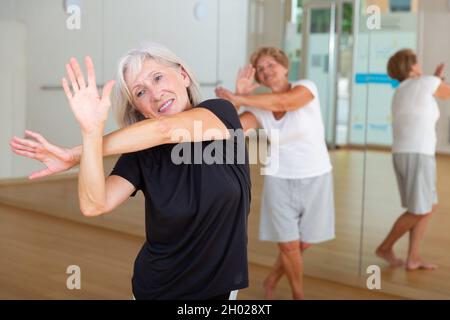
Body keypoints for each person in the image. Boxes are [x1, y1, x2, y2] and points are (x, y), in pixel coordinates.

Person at [10, 43, 251, 300]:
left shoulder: (220, 114)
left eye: (158, 77)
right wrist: (90, 133)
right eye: (140, 92)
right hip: (156, 289)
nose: (155, 94)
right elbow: (94, 205)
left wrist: (74, 155)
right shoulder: (142, 154)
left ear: (183, 75)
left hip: (219, 290)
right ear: (138, 109)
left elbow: (166, 130)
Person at [215, 47, 335, 300]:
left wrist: (241, 98)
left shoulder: (306, 87)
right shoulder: (258, 108)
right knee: (289, 245)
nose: (266, 71)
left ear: (284, 66)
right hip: (279, 179)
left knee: (303, 243)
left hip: (317, 174)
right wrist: (234, 100)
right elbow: (231, 131)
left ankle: (271, 280)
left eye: (271, 65)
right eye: (260, 69)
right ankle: (298, 295)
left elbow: (284, 102)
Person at [375, 49, 450, 271]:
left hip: (405, 153)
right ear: (411, 66)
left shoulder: (401, 90)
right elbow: (446, 93)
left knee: (427, 206)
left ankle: (413, 258)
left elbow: (434, 91)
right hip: (418, 154)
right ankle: (385, 247)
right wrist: (436, 79)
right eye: (417, 61)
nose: (420, 63)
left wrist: (436, 79)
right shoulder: (425, 83)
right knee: (421, 209)